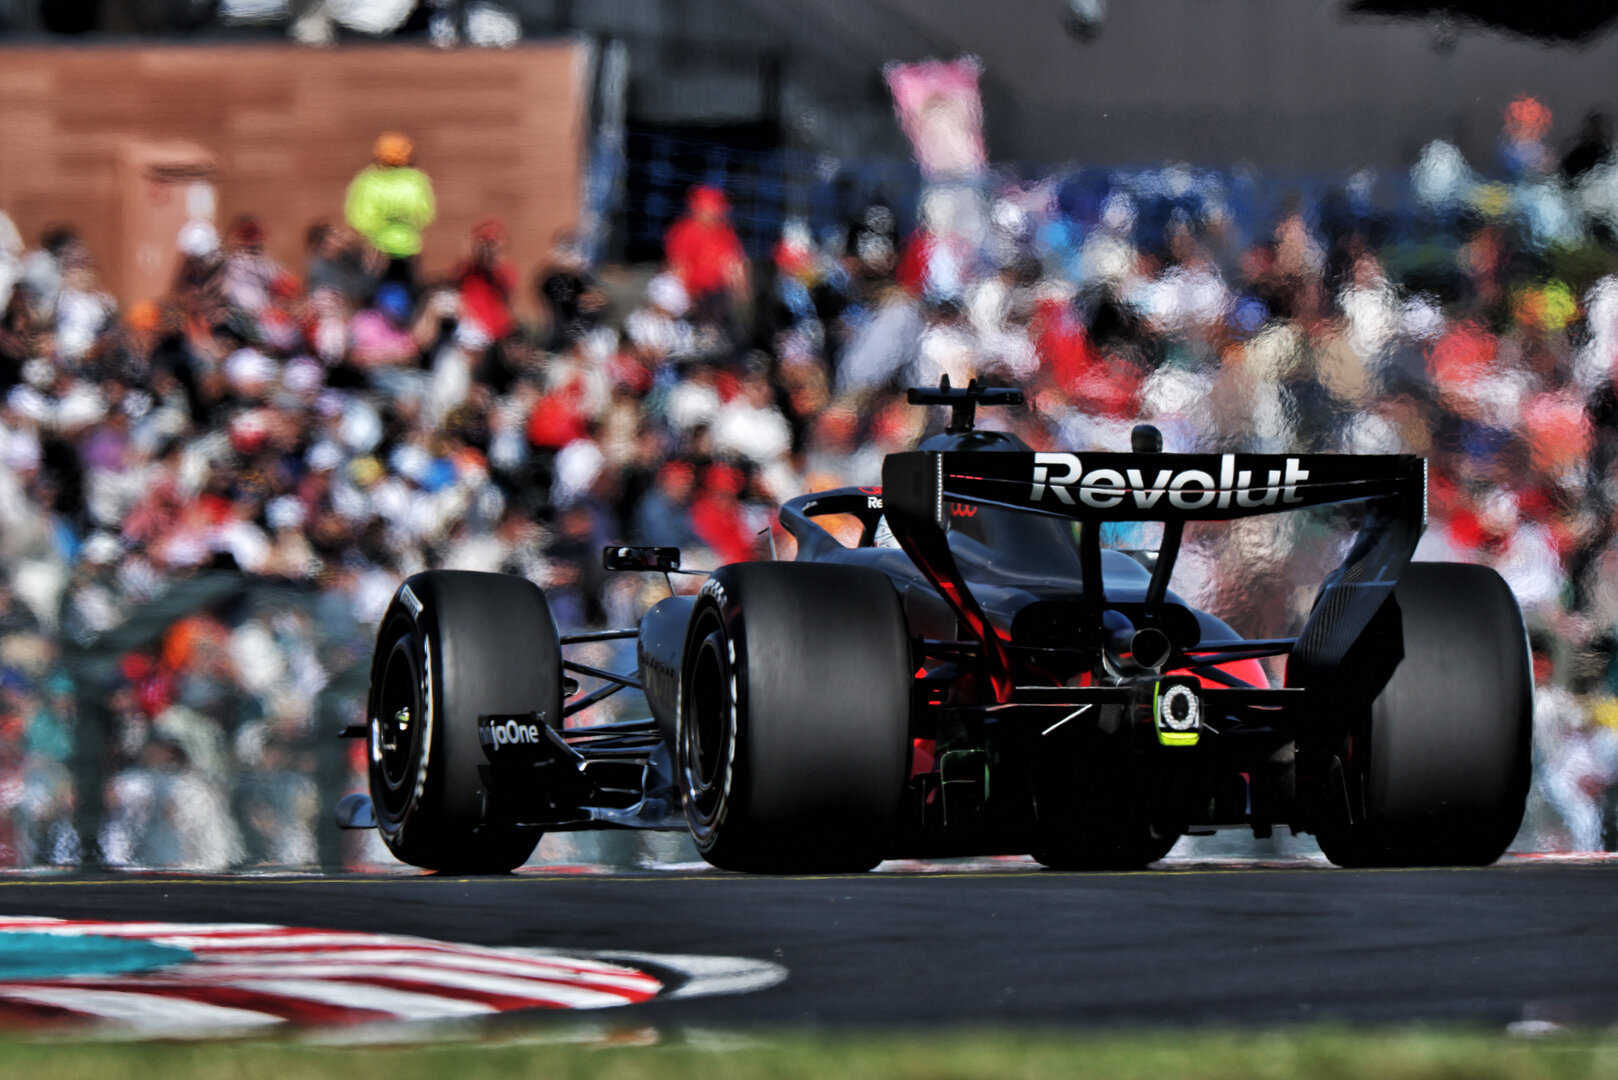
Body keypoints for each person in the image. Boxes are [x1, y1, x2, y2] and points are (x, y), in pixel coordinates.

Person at [344, 132, 436, 295]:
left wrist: (381, 221)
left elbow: (358, 216)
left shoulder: (368, 180)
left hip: (395, 248)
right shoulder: (414, 180)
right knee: (398, 294)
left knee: (378, 295)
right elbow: (424, 213)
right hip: (388, 248)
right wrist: (398, 217)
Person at [663, 185, 748, 331]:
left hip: (714, 292)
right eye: (707, 208)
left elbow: (733, 265)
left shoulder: (726, 233)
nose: (711, 213)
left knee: (717, 308)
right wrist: (689, 295)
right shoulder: (684, 231)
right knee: (668, 292)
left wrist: (740, 291)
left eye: (715, 208)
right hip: (687, 290)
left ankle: (710, 330)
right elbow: (677, 266)